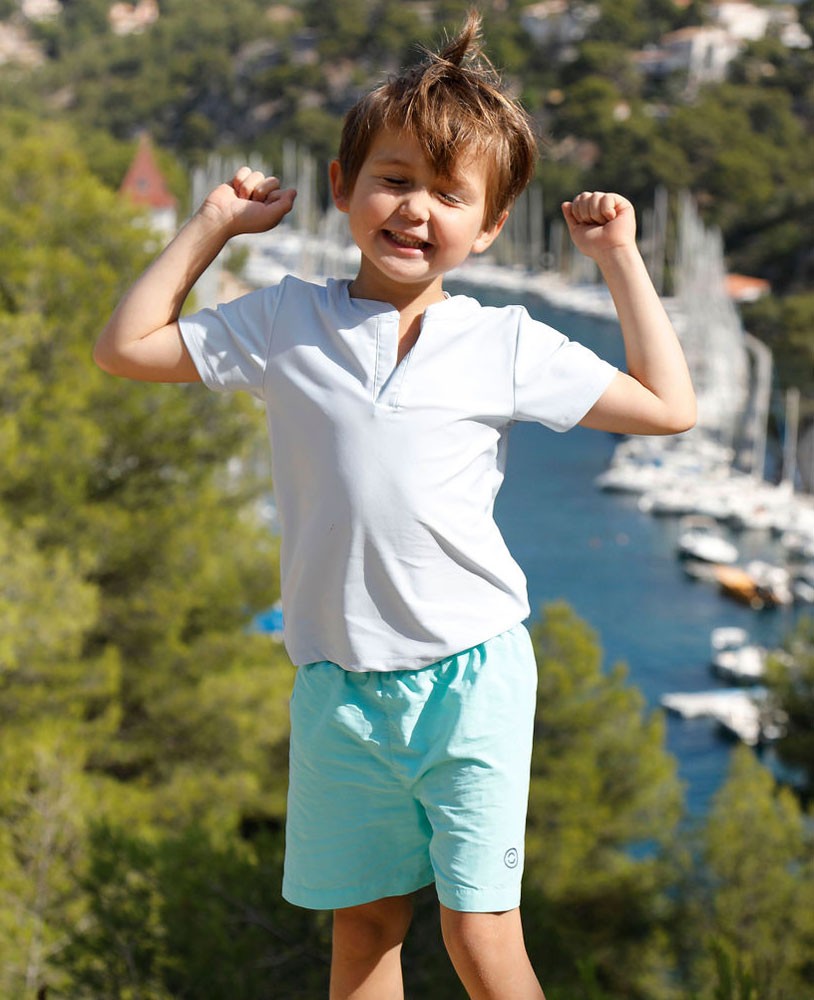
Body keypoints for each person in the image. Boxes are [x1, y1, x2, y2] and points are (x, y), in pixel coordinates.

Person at [94, 11, 696, 999]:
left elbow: (667, 407)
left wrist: (617, 261)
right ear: (343, 189)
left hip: (473, 680)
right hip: (337, 687)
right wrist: (210, 225)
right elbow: (125, 347)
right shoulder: (286, 317)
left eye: (449, 193)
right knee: (364, 929)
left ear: (490, 225)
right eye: (394, 178)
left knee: (479, 934)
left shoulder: (505, 342)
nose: (416, 209)